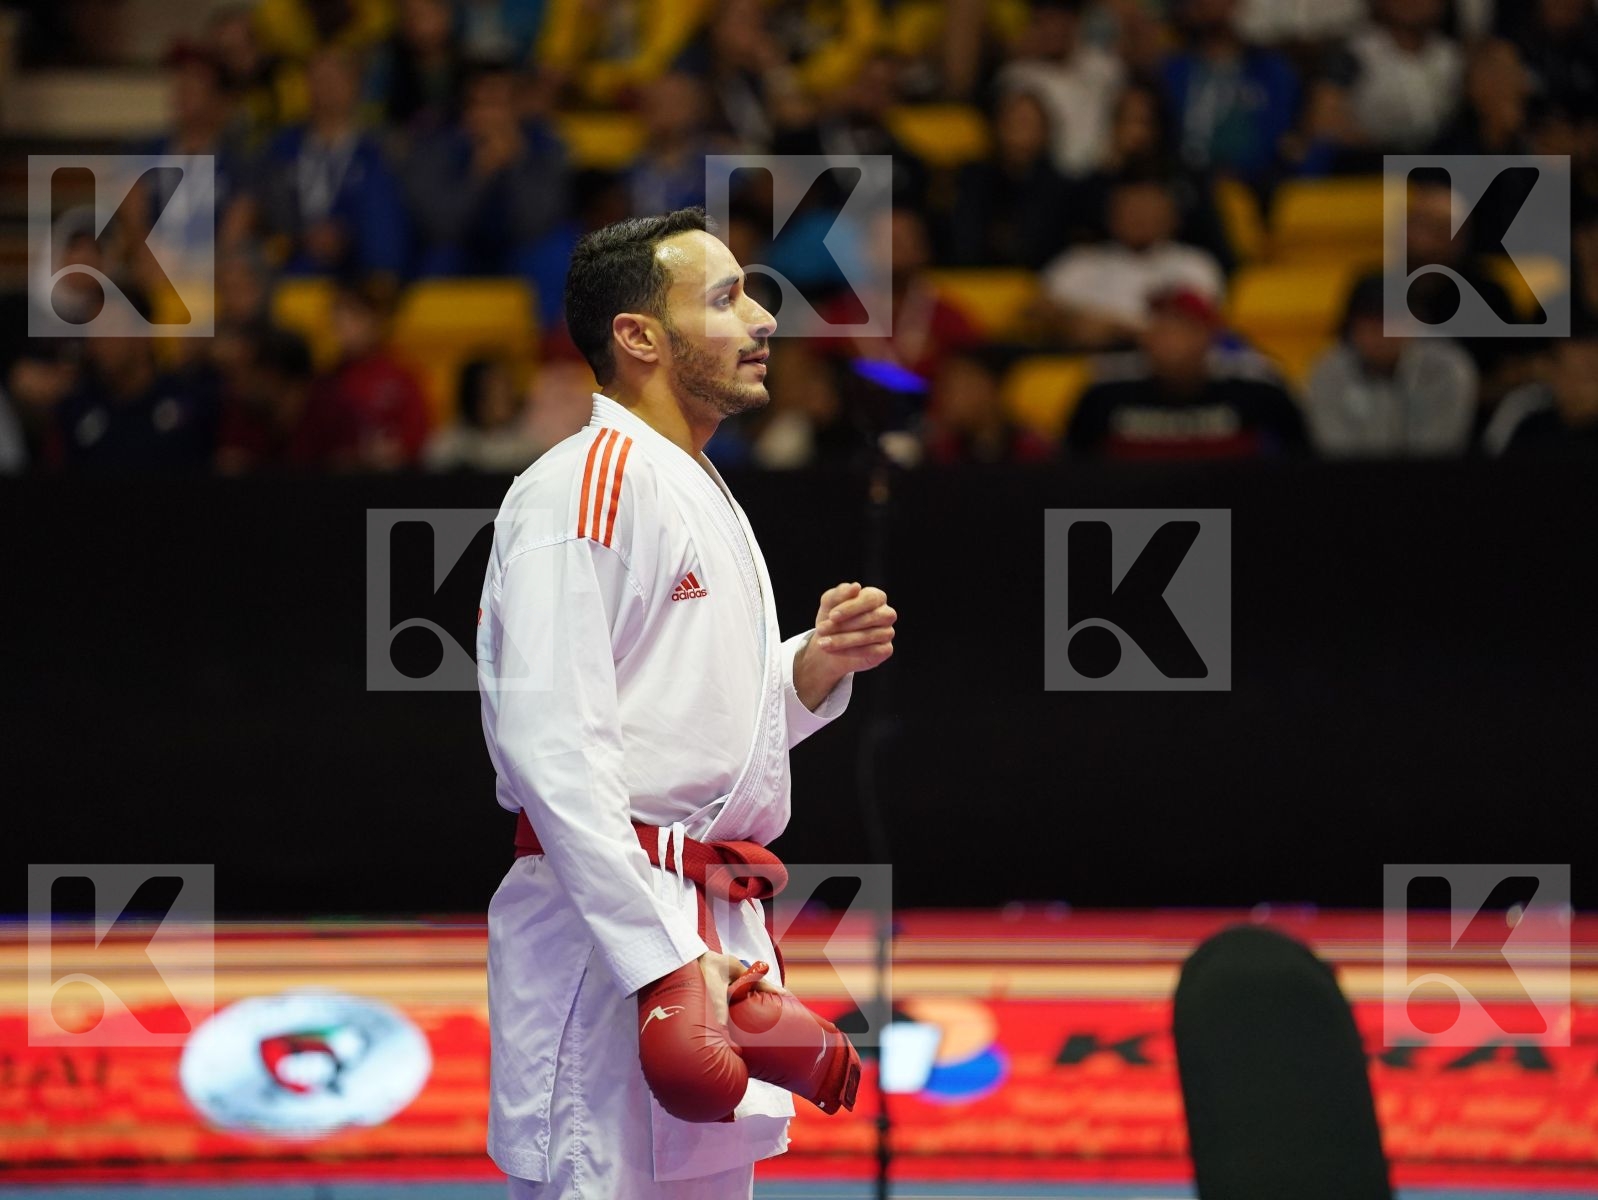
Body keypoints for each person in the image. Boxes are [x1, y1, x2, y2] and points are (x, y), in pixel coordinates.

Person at [477, 207, 895, 1198]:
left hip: (704, 925)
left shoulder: (691, 483)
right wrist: (659, 960)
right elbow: (553, 750)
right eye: (724, 298)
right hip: (608, 937)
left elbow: (679, 725)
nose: (761, 320)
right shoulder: (583, 484)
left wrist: (802, 673)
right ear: (637, 337)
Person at [1066, 285, 1307, 459]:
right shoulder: (1106, 388)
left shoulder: (1255, 385)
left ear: (1209, 337)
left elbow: (1302, 451)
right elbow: (1072, 462)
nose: (1169, 340)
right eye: (1160, 326)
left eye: (1182, 328)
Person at [1302, 276, 1477, 457]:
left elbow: (1440, 448)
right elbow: (1335, 450)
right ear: (1351, 327)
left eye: (1391, 321)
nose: (1382, 335)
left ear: (1414, 321)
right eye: (1371, 324)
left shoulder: (1447, 369)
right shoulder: (1328, 372)